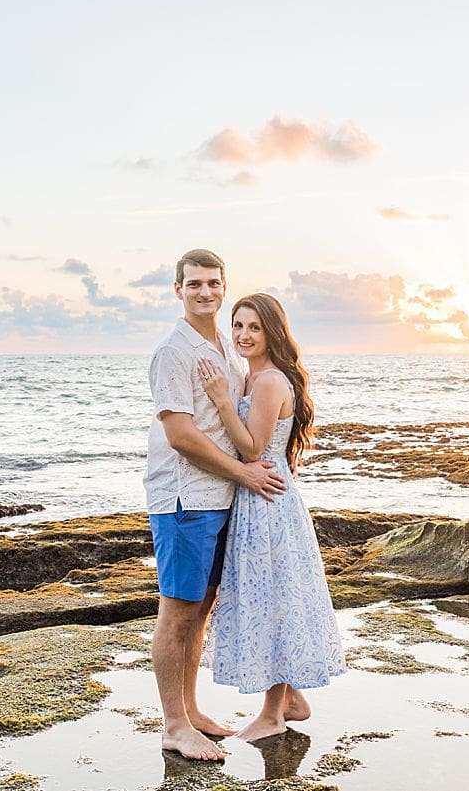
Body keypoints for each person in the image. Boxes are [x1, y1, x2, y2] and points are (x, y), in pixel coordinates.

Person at [145, 249, 288, 761]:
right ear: (177, 289)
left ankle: (193, 711)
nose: (205, 292)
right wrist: (246, 472)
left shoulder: (226, 347)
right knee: (177, 612)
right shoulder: (173, 351)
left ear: (224, 287)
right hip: (185, 499)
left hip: (222, 498)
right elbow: (181, 435)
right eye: (194, 284)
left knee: (200, 611)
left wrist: (245, 474)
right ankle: (174, 725)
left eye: (213, 283)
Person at [197, 292, 346, 742]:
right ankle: (291, 698)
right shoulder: (255, 376)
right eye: (238, 325)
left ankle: (270, 715)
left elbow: (253, 449)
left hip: (268, 503)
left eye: (254, 328)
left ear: (272, 333)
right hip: (259, 496)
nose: (243, 335)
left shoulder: (267, 382)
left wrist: (222, 401)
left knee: (273, 600)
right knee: (272, 594)